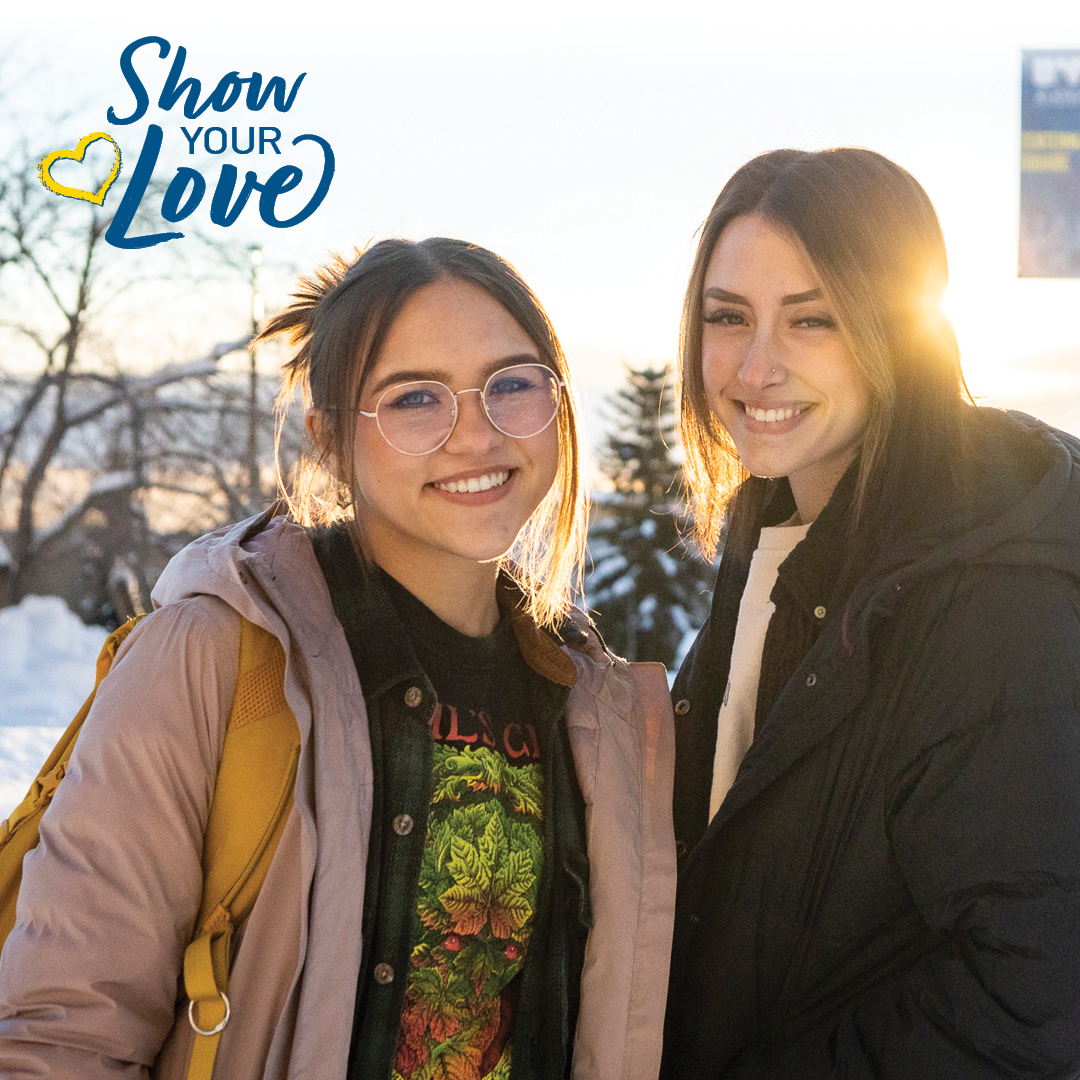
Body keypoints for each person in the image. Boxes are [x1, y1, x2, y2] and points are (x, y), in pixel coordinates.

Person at [0, 238, 676, 1080]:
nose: (477, 433)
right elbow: (65, 1036)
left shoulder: (595, 706)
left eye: (511, 383)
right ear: (328, 439)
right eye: (414, 399)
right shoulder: (213, 659)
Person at [660, 148, 1080, 1078]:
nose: (756, 365)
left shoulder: (990, 605)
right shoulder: (777, 538)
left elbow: (1039, 1002)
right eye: (728, 317)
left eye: (813, 319)